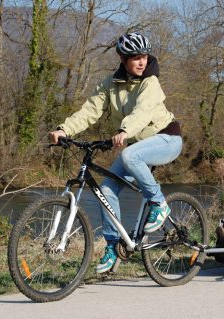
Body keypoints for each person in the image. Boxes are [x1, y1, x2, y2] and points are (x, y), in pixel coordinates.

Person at [49, 32, 182, 274]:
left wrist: (124, 130)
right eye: (135, 58)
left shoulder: (150, 82)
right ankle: (114, 245)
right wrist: (64, 129)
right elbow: (90, 111)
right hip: (138, 145)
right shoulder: (111, 84)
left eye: (144, 56)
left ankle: (159, 204)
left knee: (130, 155)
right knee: (106, 189)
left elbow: (142, 112)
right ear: (122, 59)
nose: (142, 62)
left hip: (166, 139)